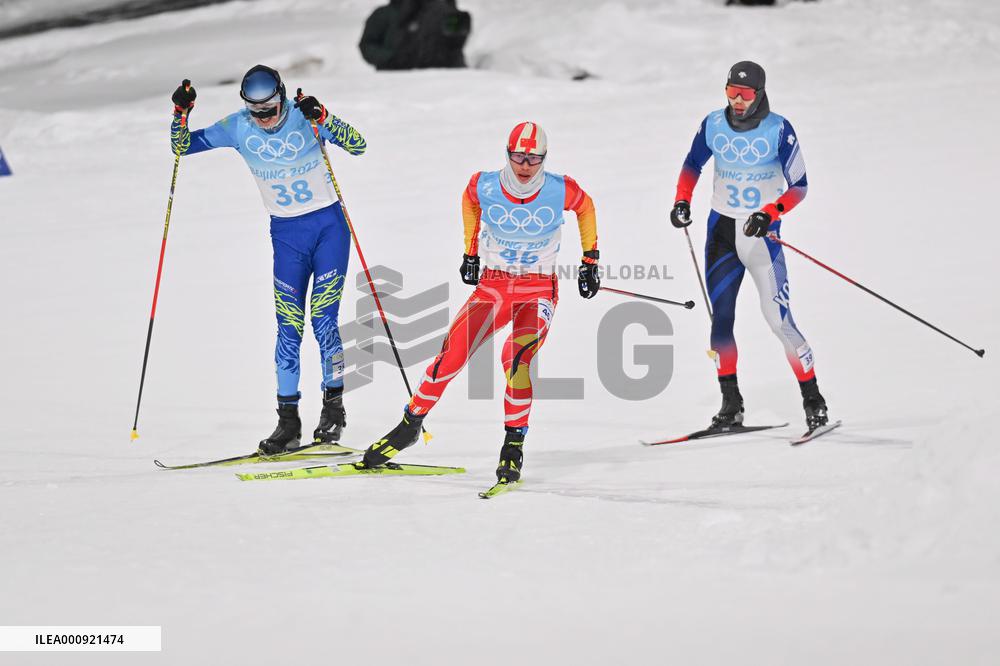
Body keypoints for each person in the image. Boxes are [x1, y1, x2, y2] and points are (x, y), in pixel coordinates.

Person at [358, 122, 600, 487]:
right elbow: (470, 200)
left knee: (516, 358)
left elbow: (586, 208)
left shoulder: (559, 189)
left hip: (537, 291)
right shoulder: (485, 183)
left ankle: (513, 444)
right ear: (507, 153)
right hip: (494, 286)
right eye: (517, 156)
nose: (524, 165)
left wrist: (590, 261)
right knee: (451, 355)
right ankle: (410, 425)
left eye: (533, 159)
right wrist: (470, 252)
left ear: (544, 159)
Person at [168, 65, 367, 454]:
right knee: (288, 327)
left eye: (271, 109)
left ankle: (334, 410)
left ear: (282, 96)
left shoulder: (304, 114)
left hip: (329, 229)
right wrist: (180, 114)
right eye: (256, 112)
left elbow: (358, 144)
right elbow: (181, 146)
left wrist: (325, 118)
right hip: (287, 236)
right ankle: (287, 422)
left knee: (323, 319)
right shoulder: (238, 126)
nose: (265, 119)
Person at [669, 61, 830, 433]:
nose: (737, 101)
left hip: (760, 236)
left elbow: (800, 185)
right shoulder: (712, 123)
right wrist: (682, 201)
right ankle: (731, 405)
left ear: (759, 93)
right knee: (720, 320)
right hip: (721, 233)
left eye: (745, 95)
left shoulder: (778, 129)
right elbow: (692, 163)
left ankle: (814, 400)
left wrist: (770, 212)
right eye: (731, 93)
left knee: (778, 320)